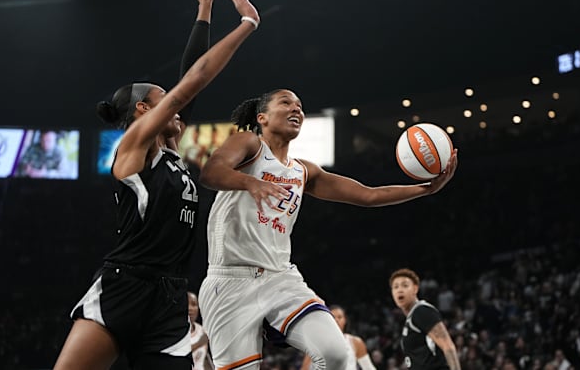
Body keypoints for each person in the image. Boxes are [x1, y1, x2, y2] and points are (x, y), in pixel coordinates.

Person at [52, 0, 261, 368]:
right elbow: (194, 80)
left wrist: (205, 9)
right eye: (167, 100)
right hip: (124, 284)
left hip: (169, 296)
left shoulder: (170, 149)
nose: (177, 107)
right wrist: (247, 24)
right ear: (145, 110)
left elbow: (189, 73)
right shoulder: (134, 146)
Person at [197, 89, 458, 370]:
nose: (296, 109)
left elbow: (367, 195)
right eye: (286, 103)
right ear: (262, 117)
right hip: (230, 279)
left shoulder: (303, 171)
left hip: (279, 278)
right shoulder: (249, 144)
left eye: (300, 106)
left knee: (336, 354)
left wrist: (426, 189)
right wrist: (250, 183)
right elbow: (210, 172)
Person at [389, 268, 461, 370]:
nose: (399, 290)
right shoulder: (412, 317)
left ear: (415, 289)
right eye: (395, 287)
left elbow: (448, 346)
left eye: (405, 285)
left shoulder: (422, 311)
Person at [299, 305, 377, 370]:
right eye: (332, 317)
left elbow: (369, 368)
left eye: (339, 317)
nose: (336, 320)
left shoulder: (355, 342)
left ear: (345, 320)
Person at [189, 291, 215, 370]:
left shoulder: (202, 330)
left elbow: (204, 359)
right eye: (187, 304)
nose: (190, 308)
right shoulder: (175, 332)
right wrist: (198, 343)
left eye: (194, 304)